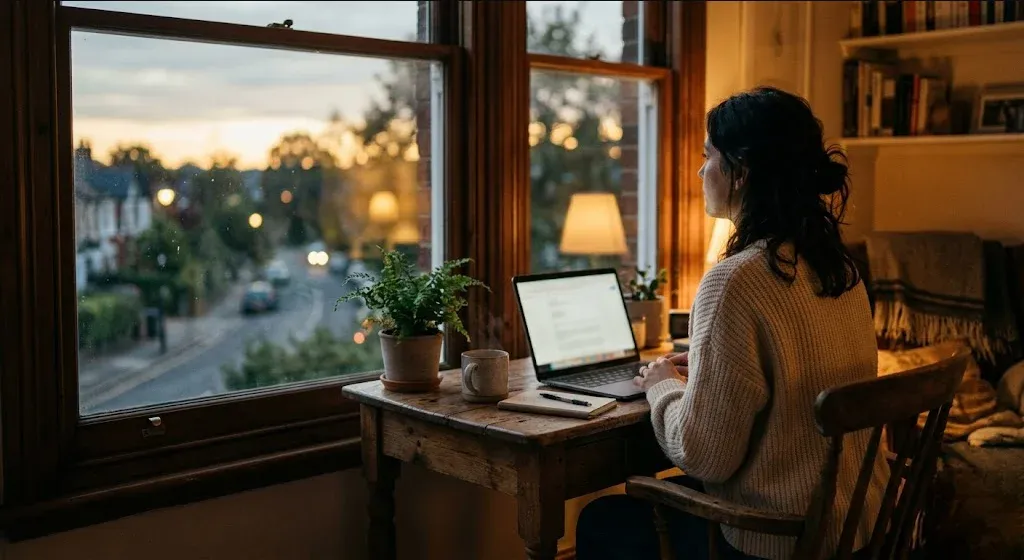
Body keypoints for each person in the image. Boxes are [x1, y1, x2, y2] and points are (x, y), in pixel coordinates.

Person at [576, 87, 889, 560]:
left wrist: (662, 385)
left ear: (740, 171)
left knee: (602, 521)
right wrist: (705, 365)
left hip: (777, 540)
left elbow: (705, 456)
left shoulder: (735, 282)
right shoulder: (838, 269)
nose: (701, 171)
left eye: (708, 157)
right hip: (857, 528)